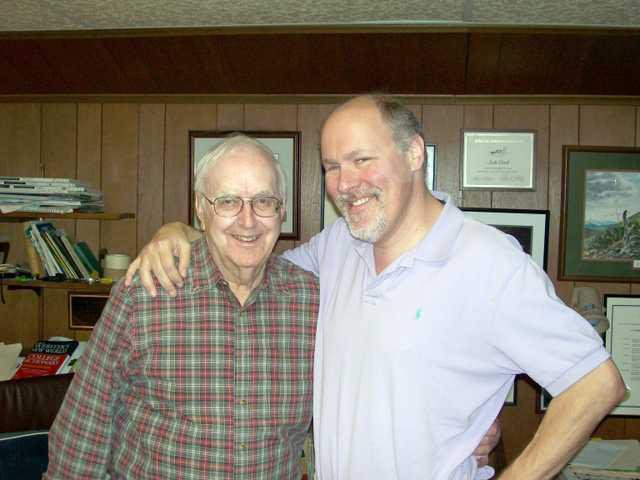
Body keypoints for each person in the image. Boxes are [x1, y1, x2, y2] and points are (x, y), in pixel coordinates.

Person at [126, 95, 625, 479]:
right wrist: (180, 232)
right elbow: (249, 259)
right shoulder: (339, 245)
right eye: (332, 167)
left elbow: (596, 383)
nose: (346, 183)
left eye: (362, 159)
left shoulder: (489, 262)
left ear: (413, 153)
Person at [44, 135, 320, 479]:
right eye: (228, 202)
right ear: (201, 209)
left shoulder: (311, 302)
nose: (248, 221)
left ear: (282, 210)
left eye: (263, 201)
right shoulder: (143, 296)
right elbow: (83, 432)